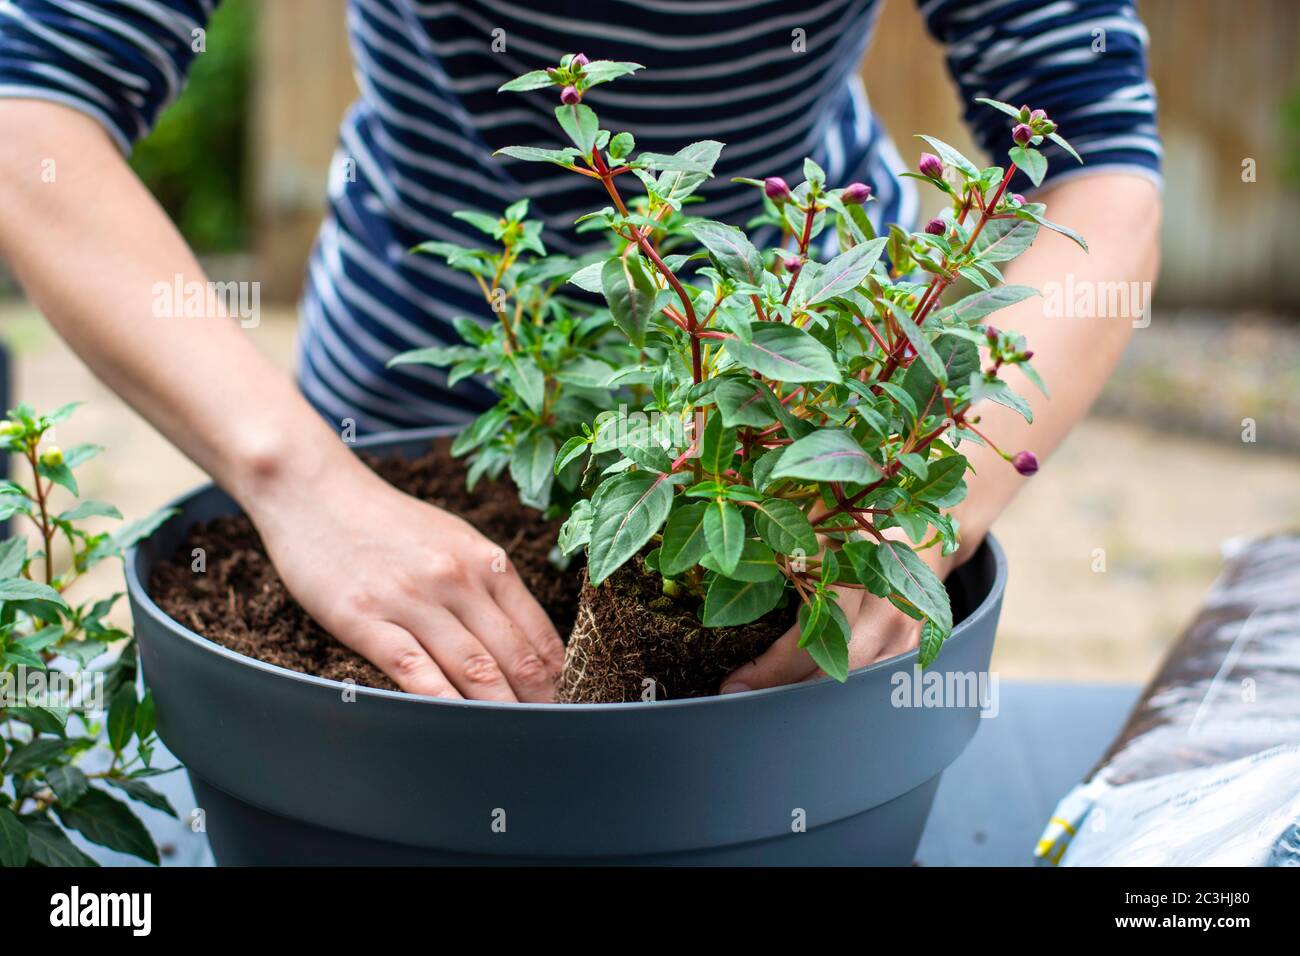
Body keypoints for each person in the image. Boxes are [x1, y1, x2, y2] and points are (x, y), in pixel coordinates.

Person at [0, 0, 1161, 700]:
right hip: (425, 378)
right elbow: (31, 100)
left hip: (796, 400)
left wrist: (931, 490)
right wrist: (300, 475)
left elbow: (1099, 161)